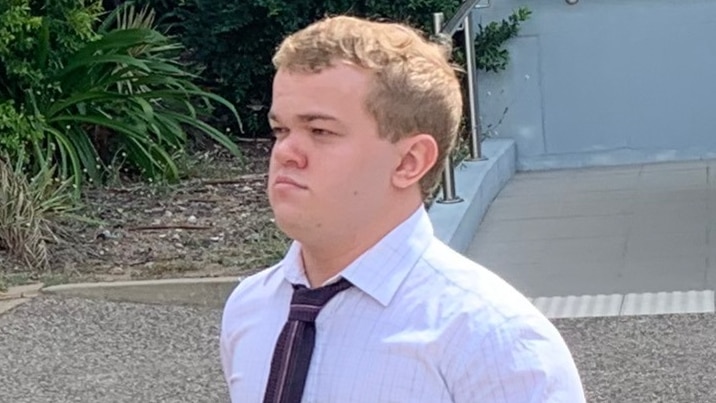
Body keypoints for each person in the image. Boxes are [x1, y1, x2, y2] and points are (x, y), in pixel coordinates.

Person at [220, 14, 586, 403]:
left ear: (410, 161)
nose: (286, 152)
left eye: (320, 131)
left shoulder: (491, 337)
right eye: (281, 130)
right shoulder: (252, 308)